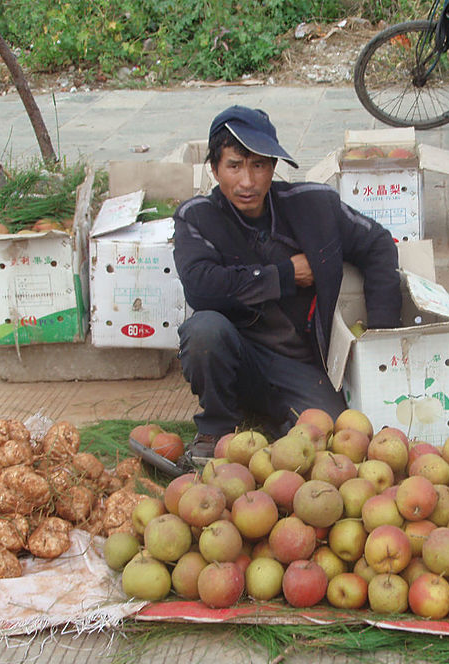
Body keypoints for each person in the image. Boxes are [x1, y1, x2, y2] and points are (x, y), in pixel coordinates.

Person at [172, 105, 402, 468]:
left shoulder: (315, 206)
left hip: (298, 362)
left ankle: (271, 417)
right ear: (214, 169)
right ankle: (217, 425)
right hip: (234, 350)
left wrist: (382, 335)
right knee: (204, 331)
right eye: (234, 166)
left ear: (273, 168)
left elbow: (378, 244)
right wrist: (283, 275)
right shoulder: (197, 216)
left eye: (258, 166)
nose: (247, 181)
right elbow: (200, 287)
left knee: (329, 436)